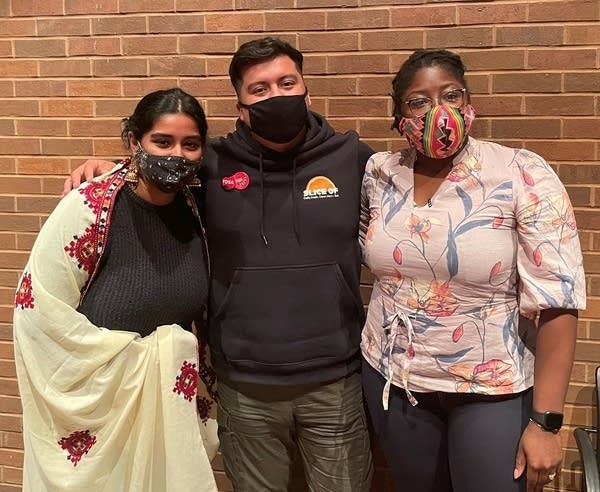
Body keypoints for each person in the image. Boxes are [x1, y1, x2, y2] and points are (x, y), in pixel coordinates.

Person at [63, 37, 374, 492]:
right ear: (242, 106)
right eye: (260, 89)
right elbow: (158, 172)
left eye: (287, 83)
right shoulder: (210, 162)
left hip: (335, 379)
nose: (276, 95)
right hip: (244, 383)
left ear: (307, 92)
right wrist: (108, 167)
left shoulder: (354, 159)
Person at [359, 49, 586, 492]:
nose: (437, 111)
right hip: (395, 376)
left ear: (469, 104)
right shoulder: (379, 174)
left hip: (491, 386)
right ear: (398, 115)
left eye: (450, 95)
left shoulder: (520, 172)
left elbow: (558, 302)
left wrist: (546, 423)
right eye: (418, 101)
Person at [15, 88, 218, 492]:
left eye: (190, 144)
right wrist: (132, 363)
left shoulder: (197, 207)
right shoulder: (88, 207)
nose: (176, 155)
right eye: (162, 141)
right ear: (134, 142)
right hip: (102, 409)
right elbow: (38, 311)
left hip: (171, 404)